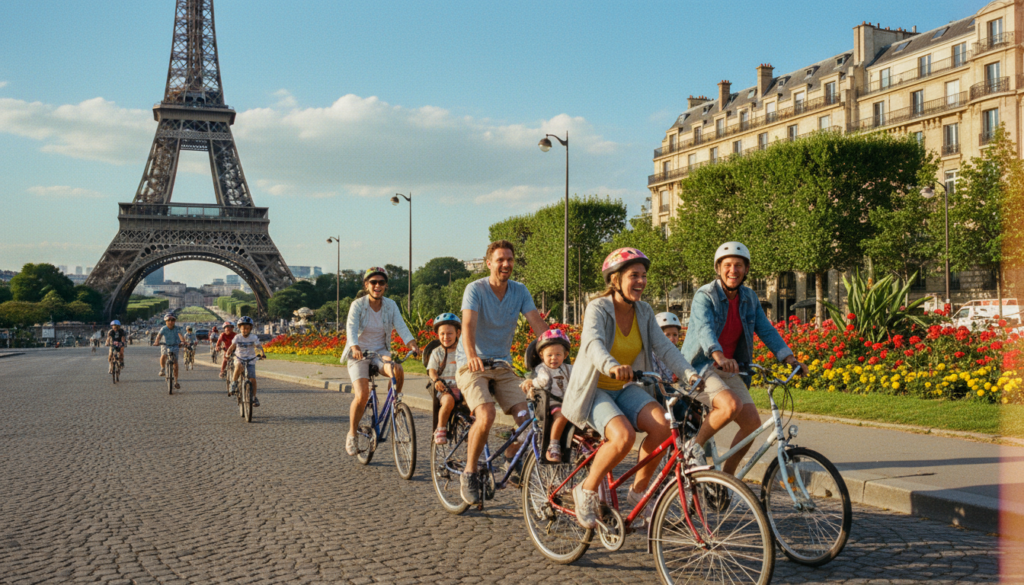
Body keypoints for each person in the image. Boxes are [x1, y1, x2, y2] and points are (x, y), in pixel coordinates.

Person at [561, 248, 700, 529]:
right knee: (622, 437)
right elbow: (592, 343)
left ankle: (639, 493)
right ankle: (586, 490)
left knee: (662, 427)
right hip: (594, 388)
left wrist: (690, 374)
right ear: (615, 280)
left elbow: (662, 346)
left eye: (644, 276)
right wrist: (611, 364)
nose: (641, 281)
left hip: (624, 387)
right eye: (633, 275)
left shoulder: (644, 310)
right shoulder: (598, 308)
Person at [680, 241, 808, 475]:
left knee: (752, 426)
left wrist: (789, 358)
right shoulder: (704, 295)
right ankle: (692, 448)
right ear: (718, 268)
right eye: (727, 265)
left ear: (746, 270)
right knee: (730, 406)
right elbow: (705, 330)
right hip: (701, 367)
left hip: (729, 369)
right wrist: (718, 355)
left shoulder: (749, 298)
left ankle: (727, 479)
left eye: (739, 265)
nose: (733, 270)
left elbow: (766, 329)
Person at [456, 240, 549, 505]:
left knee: (528, 417)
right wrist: (472, 354)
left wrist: (556, 348)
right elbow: (468, 324)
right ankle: (470, 472)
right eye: (500, 260)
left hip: (503, 366)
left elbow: (536, 324)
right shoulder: (475, 289)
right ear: (489, 263)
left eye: (509, 259)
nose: (506, 264)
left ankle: (511, 456)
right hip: (472, 365)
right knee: (486, 415)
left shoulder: (519, 291)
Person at [341, 267, 420, 456]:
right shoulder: (358, 305)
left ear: (385, 286)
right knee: (361, 395)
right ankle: (352, 434)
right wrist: (354, 347)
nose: (377, 286)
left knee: (398, 369)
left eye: (381, 282)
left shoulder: (391, 305)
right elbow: (351, 327)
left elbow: (400, 325)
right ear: (366, 285)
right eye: (373, 282)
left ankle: (395, 403)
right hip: (359, 354)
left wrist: (412, 344)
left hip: (380, 353)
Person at [520, 329, 573, 462]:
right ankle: (553, 446)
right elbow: (543, 381)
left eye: (558, 354)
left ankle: (583, 446)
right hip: (550, 402)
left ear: (565, 354)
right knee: (562, 415)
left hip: (566, 402)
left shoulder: (567, 368)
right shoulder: (543, 369)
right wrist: (532, 381)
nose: (554, 358)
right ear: (542, 355)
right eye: (549, 355)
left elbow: (579, 376)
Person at [427, 313, 462, 445]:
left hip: (462, 387)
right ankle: (440, 428)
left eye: (449, 333)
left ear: (458, 333)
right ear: (438, 335)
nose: (445, 337)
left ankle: (472, 425)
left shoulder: (462, 351)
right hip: (445, 388)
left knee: (477, 400)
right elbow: (432, 370)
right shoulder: (437, 352)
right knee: (448, 401)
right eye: (442, 334)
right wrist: (437, 380)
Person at [226, 316, 266, 406]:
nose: (245, 330)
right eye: (243, 328)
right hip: (239, 357)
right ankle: (234, 383)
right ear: (240, 328)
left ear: (250, 329)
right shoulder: (237, 337)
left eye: (247, 328)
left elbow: (258, 346)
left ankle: (254, 397)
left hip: (251, 359)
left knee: (253, 379)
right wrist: (228, 353)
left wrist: (262, 353)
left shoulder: (253, 337)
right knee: (238, 365)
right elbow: (232, 347)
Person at [153, 314, 186, 389]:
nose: (170, 322)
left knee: (175, 363)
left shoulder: (177, 328)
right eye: (169, 320)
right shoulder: (163, 329)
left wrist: (183, 341)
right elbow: (159, 336)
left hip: (175, 345)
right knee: (164, 355)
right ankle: (162, 369)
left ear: (174, 321)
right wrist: (156, 342)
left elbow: (180, 336)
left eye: (172, 320)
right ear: (166, 321)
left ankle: (176, 381)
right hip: (165, 344)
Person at [652, 312, 684, 383]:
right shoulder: (653, 355)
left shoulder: (679, 353)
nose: (672, 338)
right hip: (658, 390)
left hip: (676, 390)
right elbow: (654, 377)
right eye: (668, 335)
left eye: (675, 335)